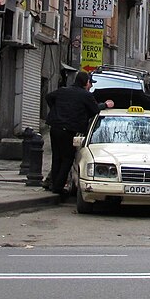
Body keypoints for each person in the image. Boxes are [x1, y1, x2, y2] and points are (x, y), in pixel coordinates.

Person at [44, 71, 112, 201]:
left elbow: (48, 97)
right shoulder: (85, 95)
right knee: (67, 159)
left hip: (55, 128)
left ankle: (53, 184)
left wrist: (56, 110)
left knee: (57, 157)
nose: (91, 85)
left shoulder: (63, 91)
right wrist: (105, 105)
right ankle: (58, 187)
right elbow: (95, 110)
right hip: (68, 130)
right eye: (90, 83)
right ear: (86, 83)